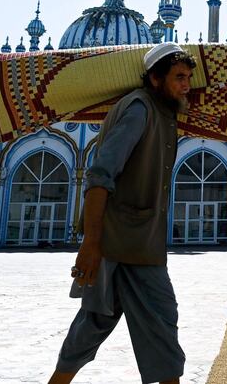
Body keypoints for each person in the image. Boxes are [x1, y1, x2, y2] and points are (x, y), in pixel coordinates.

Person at [49, 42, 195, 384]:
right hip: (129, 245)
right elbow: (100, 176)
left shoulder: (161, 110)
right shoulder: (139, 110)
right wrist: (90, 243)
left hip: (133, 240)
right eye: (179, 78)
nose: (187, 85)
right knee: (161, 320)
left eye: (189, 77)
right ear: (156, 79)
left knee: (93, 322)